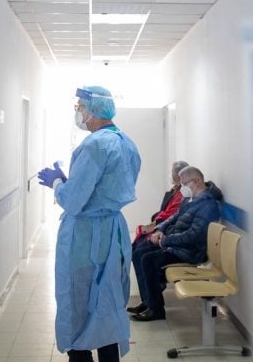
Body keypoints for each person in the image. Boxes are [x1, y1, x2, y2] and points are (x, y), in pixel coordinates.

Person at [38, 86, 140, 362]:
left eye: (80, 107)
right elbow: (105, 189)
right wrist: (69, 182)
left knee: (77, 304)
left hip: (86, 238)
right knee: (108, 302)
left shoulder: (94, 145)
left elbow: (73, 201)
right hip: (113, 233)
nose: (78, 112)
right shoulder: (126, 143)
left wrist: (57, 183)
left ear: (94, 109)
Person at [127, 166, 223, 321]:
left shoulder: (208, 205)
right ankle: (148, 302)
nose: (182, 188)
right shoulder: (190, 199)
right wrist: (159, 229)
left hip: (190, 251)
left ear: (197, 181)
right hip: (177, 244)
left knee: (148, 259)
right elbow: (174, 217)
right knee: (139, 252)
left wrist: (166, 240)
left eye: (184, 184)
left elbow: (193, 236)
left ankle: (156, 310)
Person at [131, 160, 189, 250]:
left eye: (172, 171)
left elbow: (171, 213)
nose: (170, 174)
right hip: (164, 223)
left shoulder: (183, 193)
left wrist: (157, 222)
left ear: (179, 175)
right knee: (141, 233)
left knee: (142, 240)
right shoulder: (175, 189)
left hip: (168, 227)